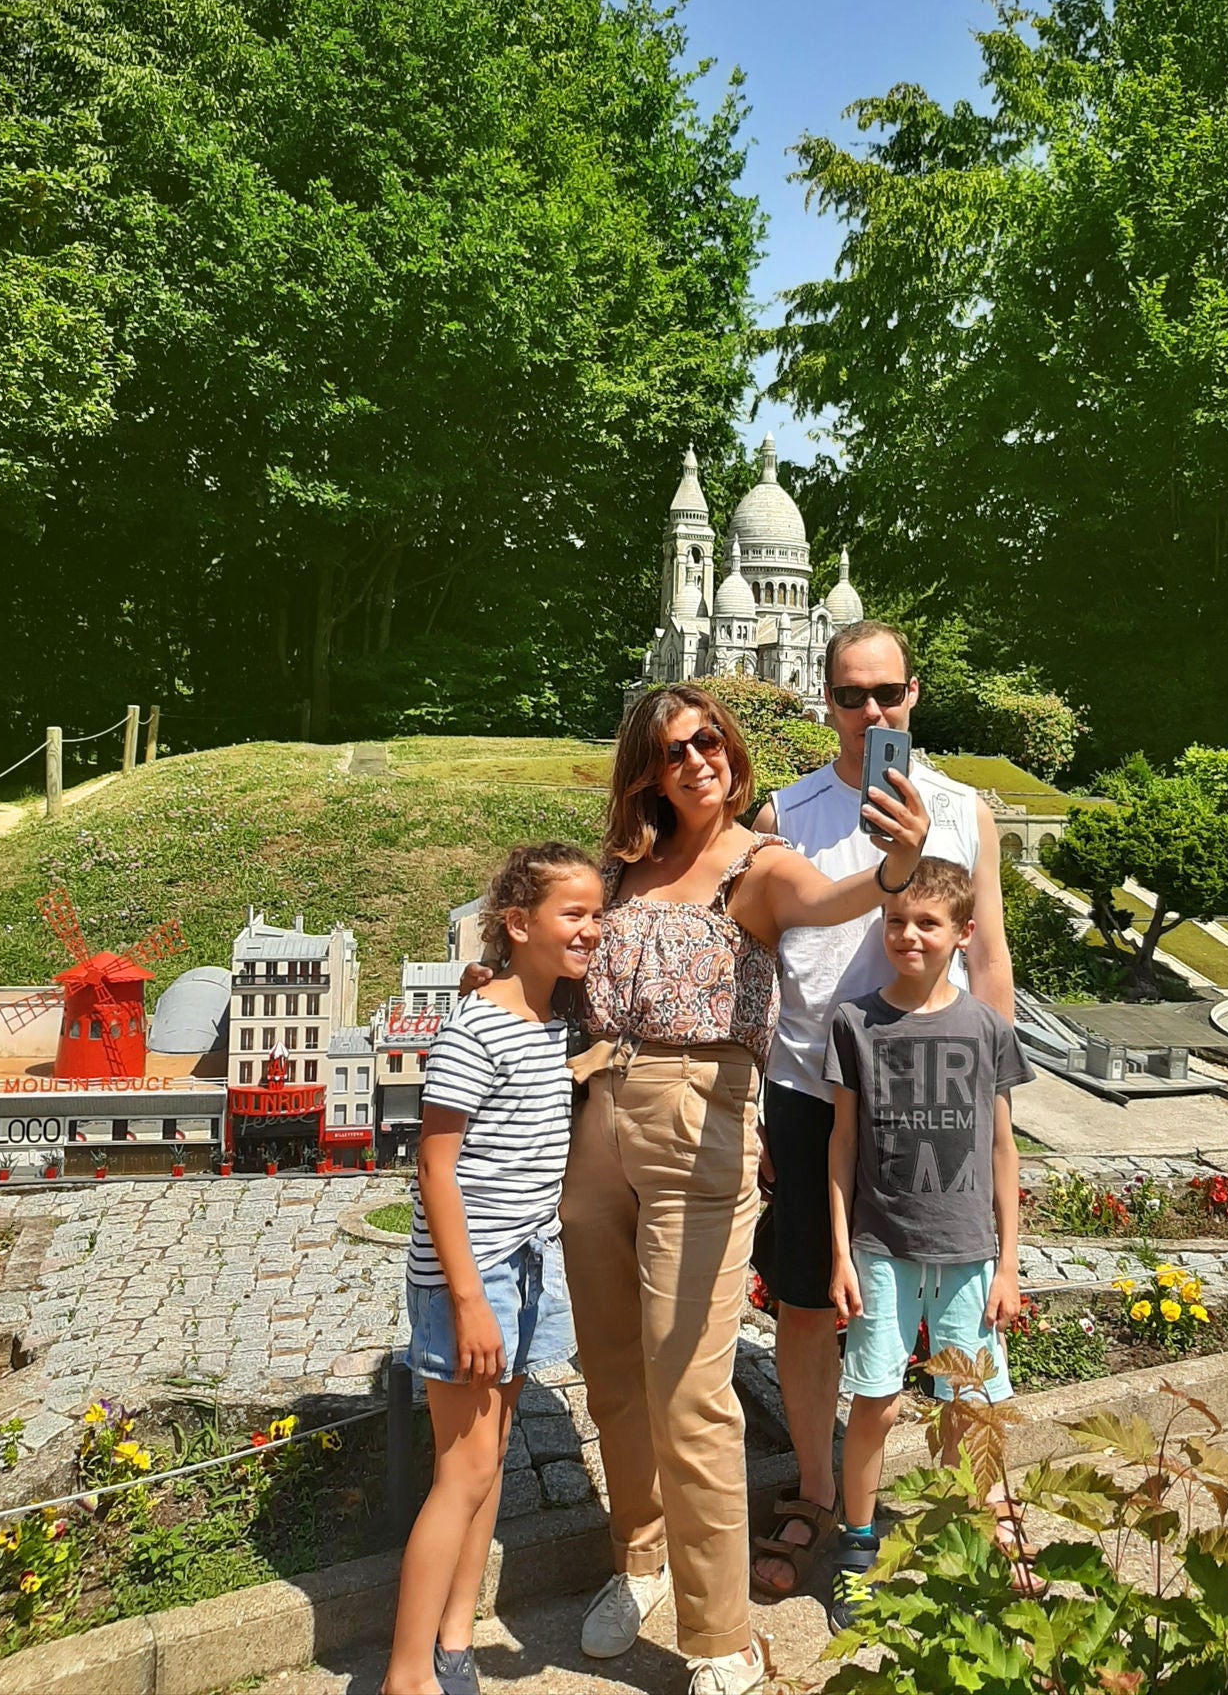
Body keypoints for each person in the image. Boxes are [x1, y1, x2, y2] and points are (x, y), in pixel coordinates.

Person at [560, 682, 928, 1695]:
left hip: (702, 1119)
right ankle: (637, 1559)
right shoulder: (623, 871)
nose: (699, 759)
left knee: (690, 1389)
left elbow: (837, 897)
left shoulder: (758, 866)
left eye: (711, 739)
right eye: (677, 748)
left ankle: (722, 1633)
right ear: (647, 769)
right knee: (614, 1375)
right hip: (598, 1116)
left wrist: (896, 862)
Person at [749, 619, 1016, 1601]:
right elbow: (760, 963)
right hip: (817, 1090)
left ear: (914, 694)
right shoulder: (787, 814)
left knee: (953, 1296)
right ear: (824, 700)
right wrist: (758, 1105)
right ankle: (820, 1488)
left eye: (887, 693)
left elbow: (988, 956)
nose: (872, 712)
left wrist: (996, 1098)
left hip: (935, 1099)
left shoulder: (961, 811)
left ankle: (975, 1504)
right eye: (851, 695)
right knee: (815, 1302)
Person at [381, 843, 604, 1695]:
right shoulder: (479, 1028)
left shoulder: (551, 1021)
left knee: (491, 1458)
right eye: (572, 915)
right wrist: (469, 1299)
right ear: (518, 925)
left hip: (527, 1259)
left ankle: (454, 1637)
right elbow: (435, 1167)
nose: (591, 930)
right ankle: (407, 1674)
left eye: (595, 914)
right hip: (469, 1276)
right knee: (464, 1471)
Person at [823, 855, 1030, 1632]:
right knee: (874, 1399)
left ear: (962, 934)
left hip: (970, 1252)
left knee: (966, 1405)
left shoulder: (986, 1028)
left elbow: (1005, 1149)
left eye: (928, 923)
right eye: (897, 921)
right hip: (880, 1247)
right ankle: (856, 1543)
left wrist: (1009, 1264)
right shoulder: (855, 1024)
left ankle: (967, 1534)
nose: (908, 935)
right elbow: (841, 1148)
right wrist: (841, 1252)